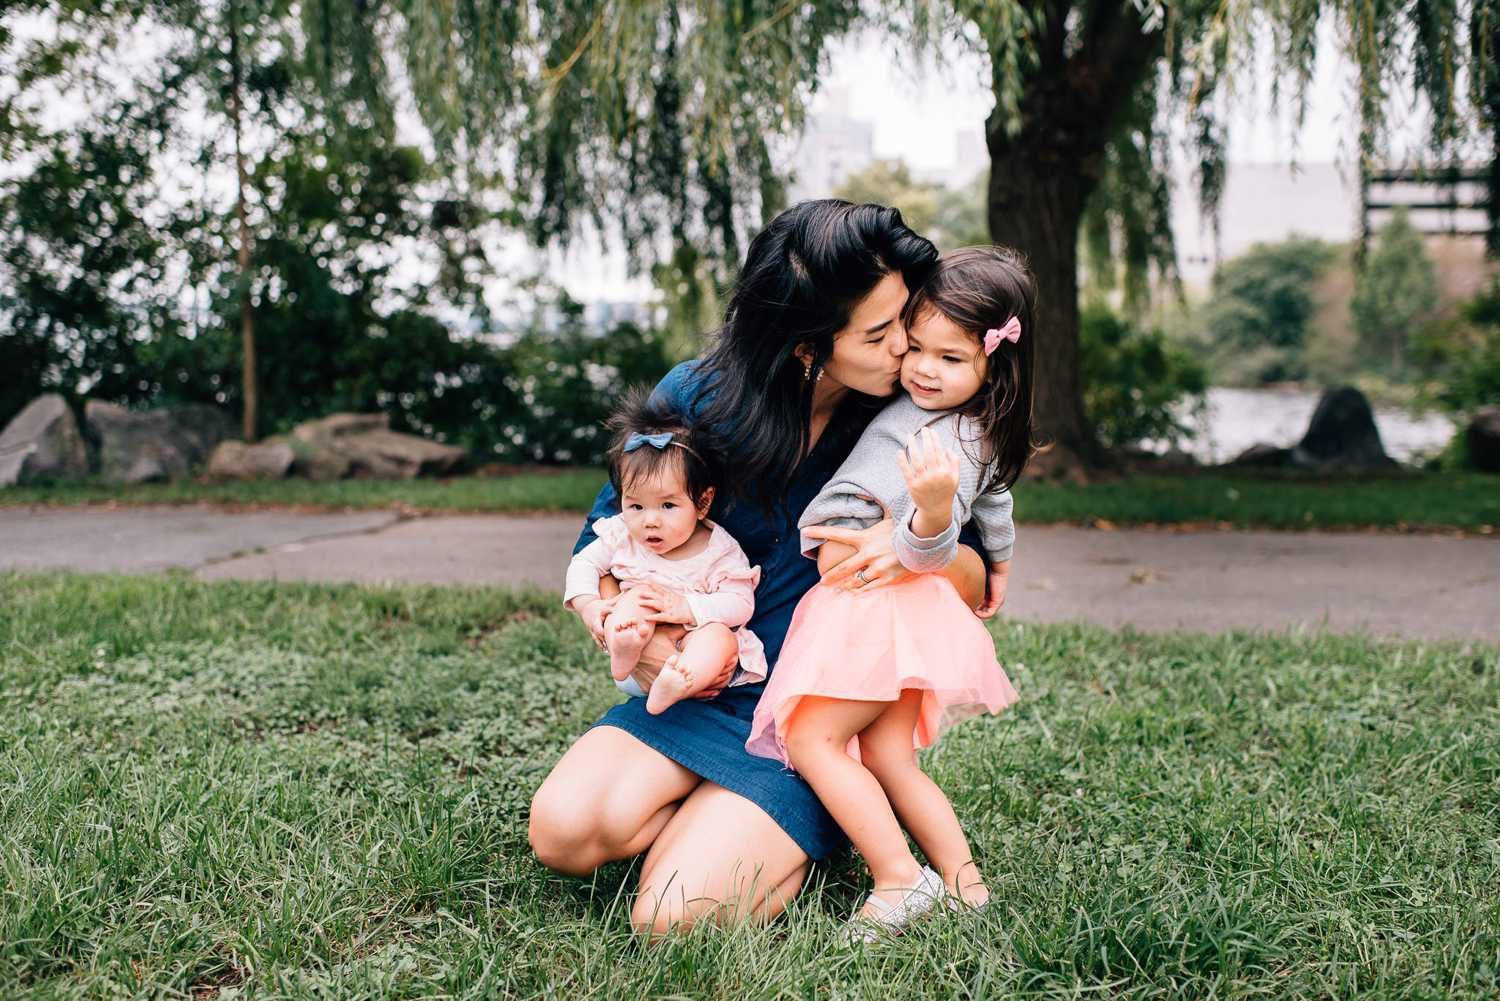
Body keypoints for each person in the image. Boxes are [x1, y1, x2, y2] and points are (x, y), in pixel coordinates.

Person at [527, 200, 997, 936]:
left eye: (907, 317)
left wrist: (913, 552)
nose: (909, 346)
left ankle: (795, 815)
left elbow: (980, 582)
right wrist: (633, 636)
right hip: (703, 689)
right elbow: (606, 536)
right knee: (563, 830)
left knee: (671, 916)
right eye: (880, 333)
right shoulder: (697, 398)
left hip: (814, 713)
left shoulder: (927, 413)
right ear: (806, 346)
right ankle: (713, 811)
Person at [746, 245, 1037, 940]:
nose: (925, 369)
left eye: (952, 358)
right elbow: (996, 504)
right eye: (919, 348)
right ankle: (967, 886)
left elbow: (928, 551)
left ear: (994, 363)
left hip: (877, 605)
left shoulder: (953, 446)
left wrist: (934, 518)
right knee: (886, 754)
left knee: (812, 736)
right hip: (887, 608)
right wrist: (998, 560)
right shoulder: (971, 425)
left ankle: (899, 878)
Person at [564, 389, 767, 716]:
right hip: (638, 654)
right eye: (636, 505)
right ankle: (625, 646)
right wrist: (589, 606)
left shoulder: (719, 550)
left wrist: (688, 607)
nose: (650, 521)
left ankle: (678, 683)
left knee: (719, 637)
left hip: (693, 655)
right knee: (638, 597)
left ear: (702, 503)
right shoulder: (621, 534)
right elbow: (583, 563)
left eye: (668, 505)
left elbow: (740, 602)